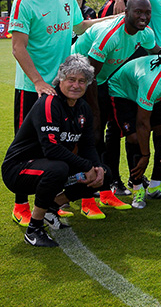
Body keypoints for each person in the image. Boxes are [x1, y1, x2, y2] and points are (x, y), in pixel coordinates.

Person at [9, 0, 97, 226]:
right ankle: (20, 205)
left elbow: (80, 27)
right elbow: (18, 47)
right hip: (31, 89)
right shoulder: (25, 0)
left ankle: (48, 202)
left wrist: (118, 16)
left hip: (61, 89)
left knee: (59, 145)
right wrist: (37, 82)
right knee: (29, 148)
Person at [2, 55, 113, 247]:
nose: (76, 85)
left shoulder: (83, 108)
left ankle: (52, 207)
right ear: (60, 79)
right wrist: (86, 166)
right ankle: (34, 229)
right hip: (19, 170)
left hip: (50, 166)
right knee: (58, 169)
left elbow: (87, 145)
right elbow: (51, 148)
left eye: (82, 81)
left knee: (103, 172)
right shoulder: (48, 103)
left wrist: (95, 167)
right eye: (71, 79)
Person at [73, 0, 159, 210]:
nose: (143, 17)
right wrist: (94, 110)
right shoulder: (110, 34)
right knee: (88, 134)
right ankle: (82, 196)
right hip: (76, 79)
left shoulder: (145, 33)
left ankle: (104, 191)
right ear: (126, 13)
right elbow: (89, 73)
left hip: (100, 80)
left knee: (102, 137)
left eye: (147, 12)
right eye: (138, 12)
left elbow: (157, 52)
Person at [107, 43, 161, 208]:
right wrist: (145, 155)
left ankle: (155, 186)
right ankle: (137, 189)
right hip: (123, 92)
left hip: (149, 96)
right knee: (134, 137)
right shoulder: (152, 80)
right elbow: (142, 123)